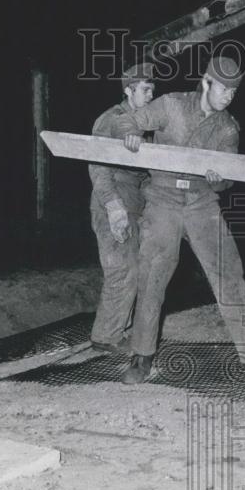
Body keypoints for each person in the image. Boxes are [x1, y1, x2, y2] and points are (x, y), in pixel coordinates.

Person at [120, 56, 245, 388]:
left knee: (231, 279)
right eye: (224, 89)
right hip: (162, 200)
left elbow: (226, 182)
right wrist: (131, 133)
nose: (229, 96)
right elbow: (130, 120)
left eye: (234, 91)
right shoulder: (171, 105)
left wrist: (219, 179)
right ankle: (141, 357)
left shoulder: (227, 128)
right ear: (206, 82)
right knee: (152, 277)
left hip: (203, 203)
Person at [87, 63, 155, 353]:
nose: (150, 95)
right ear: (128, 90)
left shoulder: (144, 123)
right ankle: (106, 337)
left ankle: (116, 331)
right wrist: (114, 208)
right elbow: (98, 168)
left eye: (152, 89)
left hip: (135, 200)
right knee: (122, 269)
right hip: (113, 199)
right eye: (144, 89)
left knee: (134, 268)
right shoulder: (112, 119)